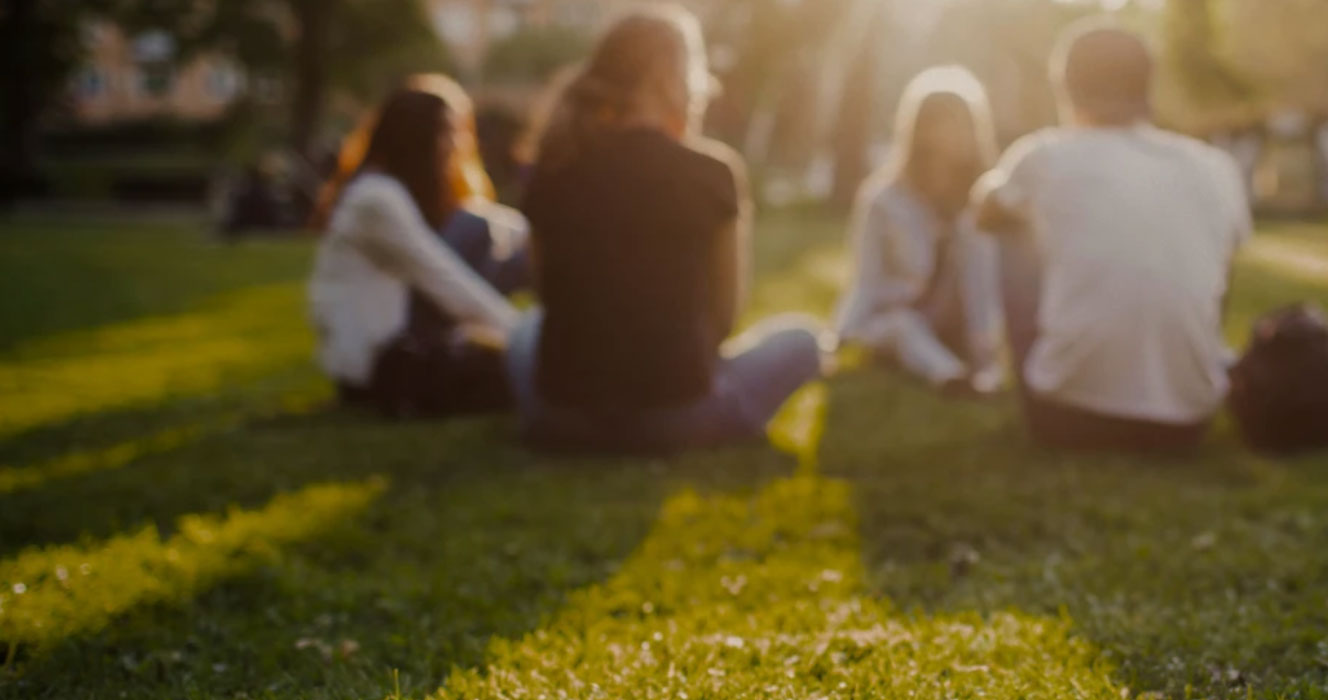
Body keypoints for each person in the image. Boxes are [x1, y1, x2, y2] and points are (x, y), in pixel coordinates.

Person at [508, 6, 826, 454]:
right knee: (805, 341)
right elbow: (724, 318)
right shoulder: (713, 172)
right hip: (678, 418)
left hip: (561, 418)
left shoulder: (554, 165)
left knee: (524, 330)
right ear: (667, 76)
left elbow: (547, 297)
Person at [972, 22, 1252, 453]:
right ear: (1148, 87)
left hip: (1064, 416)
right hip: (1187, 424)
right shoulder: (1215, 166)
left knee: (1007, 223)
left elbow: (982, 211)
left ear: (1065, 89)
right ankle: (1180, 370)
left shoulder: (1045, 155)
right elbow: (1225, 274)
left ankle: (1016, 364)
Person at [308, 85, 522, 416]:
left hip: (397, 353)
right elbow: (441, 276)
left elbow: (506, 228)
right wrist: (522, 338)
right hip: (384, 368)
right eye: (447, 132)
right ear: (416, 138)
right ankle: (546, 344)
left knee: (485, 228)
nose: (456, 145)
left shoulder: (389, 193)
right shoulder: (376, 199)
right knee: (475, 227)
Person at [834, 66, 1004, 396]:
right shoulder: (883, 200)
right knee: (903, 328)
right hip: (894, 319)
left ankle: (983, 369)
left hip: (959, 320)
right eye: (946, 122)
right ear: (920, 129)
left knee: (974, 246)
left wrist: (988, 348)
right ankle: (950, 376)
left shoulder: (983, 199)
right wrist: (837, 338)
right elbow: (865, 281)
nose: (959, 133)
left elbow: (984, 285)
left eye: (965, 122)